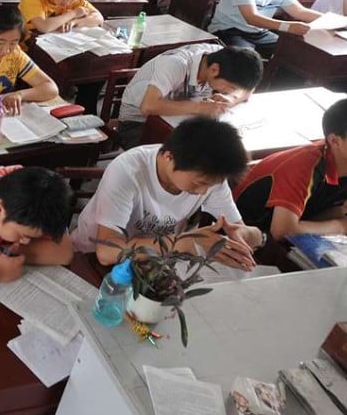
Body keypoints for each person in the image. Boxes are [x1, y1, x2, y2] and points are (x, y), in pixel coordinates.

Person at [74, 117, 264, 270]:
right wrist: (185, 242)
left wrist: (245, 234)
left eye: (211, 185)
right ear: (169, 157)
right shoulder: (128, 171)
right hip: (90, 260)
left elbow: (248, 232)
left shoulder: (210, 177)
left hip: (153, 260)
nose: (203, 192)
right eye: (199, 183)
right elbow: (106, 252)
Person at [234, 99, 347, 240]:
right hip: (246, 238)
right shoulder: (304, 166)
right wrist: (341, 226)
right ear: (335, 141)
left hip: (293, 234)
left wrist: (338, 219)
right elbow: (283, 231)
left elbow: (332, 212)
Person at [116, 44, 263, 149]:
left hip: (177, 123)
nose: (228, 91)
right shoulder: (176, 64)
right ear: (214, 70)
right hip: (137, 123)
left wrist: (232, 98)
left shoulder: (221, 57)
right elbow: (148, 106)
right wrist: (200, 107)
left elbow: (248, 88)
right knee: (189, 158)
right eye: (230, 88)